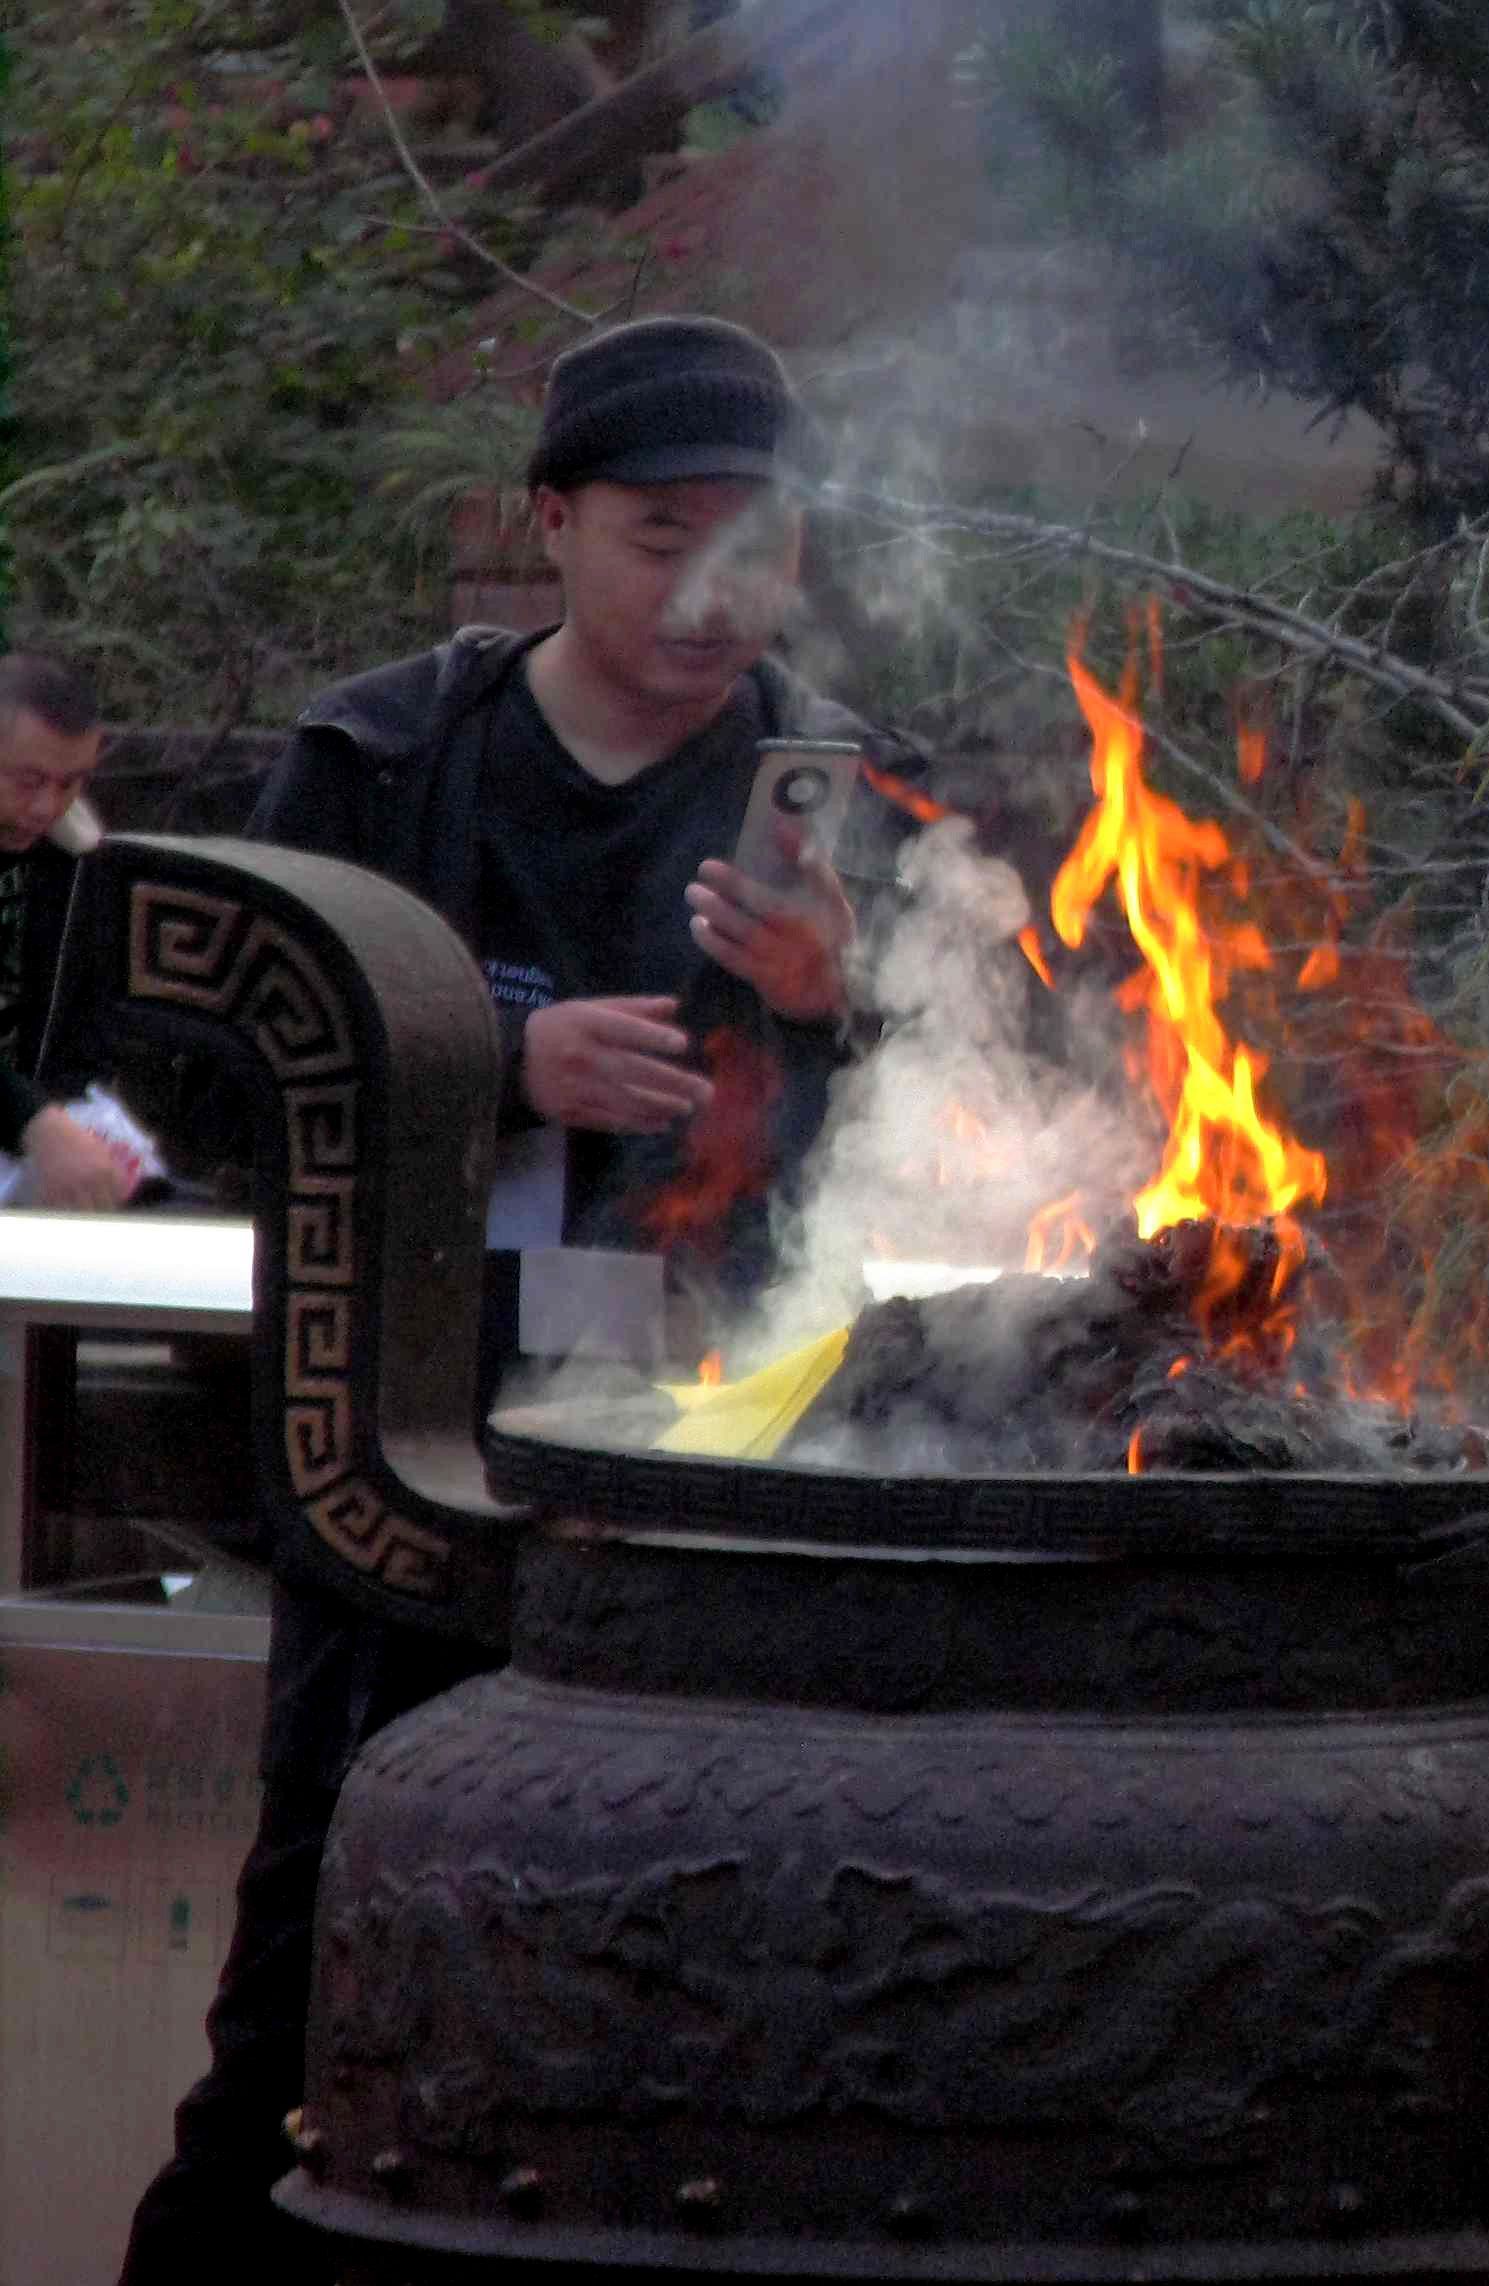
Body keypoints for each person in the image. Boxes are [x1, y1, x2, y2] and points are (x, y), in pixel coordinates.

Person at [121, 312, 914, 2284]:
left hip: (713, 1492)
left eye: (758, 543)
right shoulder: (379, 763)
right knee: (329, 1977)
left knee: (702, 2001)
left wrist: (841, 1007)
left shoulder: (829, 793)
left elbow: (966, 1129)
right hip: (407, 1474)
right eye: (662, 536)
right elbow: (193, 1087)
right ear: (547, 524)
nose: (714, 592)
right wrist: (489, 1065)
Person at [0, 652, 143, 1209]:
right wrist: (32, 1120)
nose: (46, 807)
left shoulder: (72, 860)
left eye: (70, 784)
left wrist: (73, 1122)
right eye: (28, 781)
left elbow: (82, 1025)